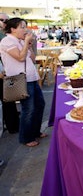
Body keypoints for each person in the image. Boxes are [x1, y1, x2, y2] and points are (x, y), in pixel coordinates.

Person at [0, 18, 46, 147]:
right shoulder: (7, 41)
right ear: (13, 29)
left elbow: (32, 58)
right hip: (21, 79)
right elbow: (20, 58)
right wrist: (25, 43)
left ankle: (35, 131)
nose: (25, 30)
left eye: (25, 27)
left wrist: (28, 45)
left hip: (30, 77)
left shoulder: (20, 41)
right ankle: (26, 137)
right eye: (22, 27)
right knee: (28, 109)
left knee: (40, 104)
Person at [0, 13, 20, 134]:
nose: (5, 22)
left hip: (6, 72)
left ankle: (13, 126)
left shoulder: (5, 35)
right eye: (2, 20)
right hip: (2, 71)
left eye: (7, 20)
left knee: (9, 100)